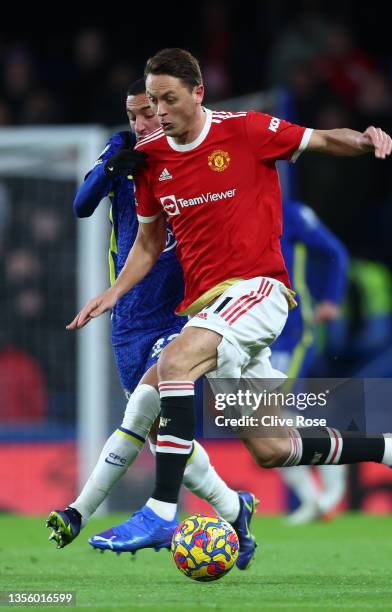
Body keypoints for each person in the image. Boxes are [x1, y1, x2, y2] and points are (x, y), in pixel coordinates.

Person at [67, 48, 392, 553]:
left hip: (257, 292)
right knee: (270, 448)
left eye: (169, 100)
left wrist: (366, 137)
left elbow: (324, 138)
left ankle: (160, 510)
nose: (160, 113)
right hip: (211, 311)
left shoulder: (244, 130)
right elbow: (149, 244)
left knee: (173, 363)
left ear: (198, 93)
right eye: (152, 101)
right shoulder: (151, 163)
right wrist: (113, 292)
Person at [46, 79, 258, 569]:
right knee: (168, 437)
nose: (143, 124)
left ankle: (78, 512)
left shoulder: (187, 154)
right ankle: (235, 509)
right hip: (128, 320)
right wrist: (110, 170)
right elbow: (81, 205)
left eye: (150, 112)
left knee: (144, 405)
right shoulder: (122, 150)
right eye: (135, 115)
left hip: (180, 313)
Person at [272, 201, 349, 524]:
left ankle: (334, 458)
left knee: (265, 413)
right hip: (252, 333)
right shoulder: (236, 208)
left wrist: (331, 298)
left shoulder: (291, 213)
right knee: (257, 418)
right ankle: (312, 498)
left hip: (291, 330)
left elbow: (335, 251)